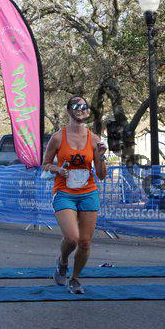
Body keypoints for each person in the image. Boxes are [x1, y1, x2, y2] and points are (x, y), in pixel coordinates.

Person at [42, 95, 108, 294]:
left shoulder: (94, 139)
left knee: (85, 242)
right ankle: (62, 262)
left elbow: (101, 175)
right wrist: (57, 169)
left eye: (83, 106)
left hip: (88, 192)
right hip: (64, 192)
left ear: (87, 112)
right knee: (72, 238)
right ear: (69, 110)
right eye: (75, 106)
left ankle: (75, 279)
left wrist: (101, 157)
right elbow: (45, 165)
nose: (80, 109)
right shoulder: (58, 137)